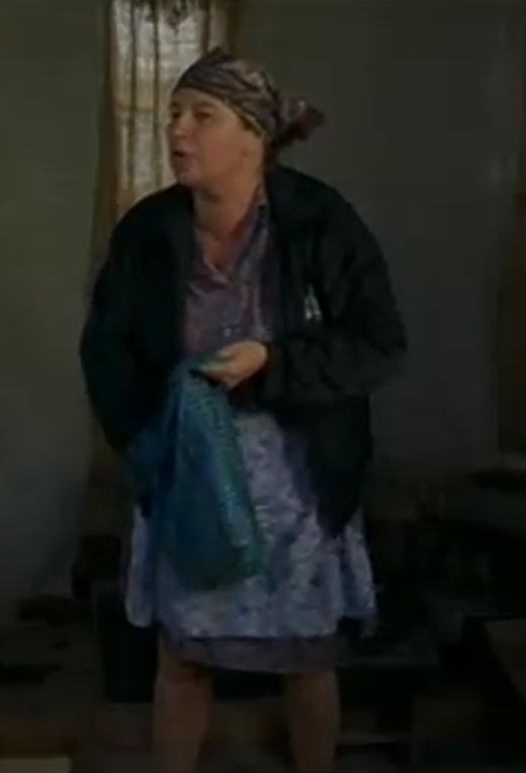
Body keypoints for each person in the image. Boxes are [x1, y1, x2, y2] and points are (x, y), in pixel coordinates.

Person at [80, 48, 406, 773]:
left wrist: (274, 362)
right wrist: (147, 446)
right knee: (183, 658)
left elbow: (379, 345)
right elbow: (105, 348)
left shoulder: (319, 221)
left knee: (307, 657)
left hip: (298, 481)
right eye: (173, 114)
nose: (177, 130)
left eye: (203, 115)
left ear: (253, 135)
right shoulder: (148, 231)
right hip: (191, 473)